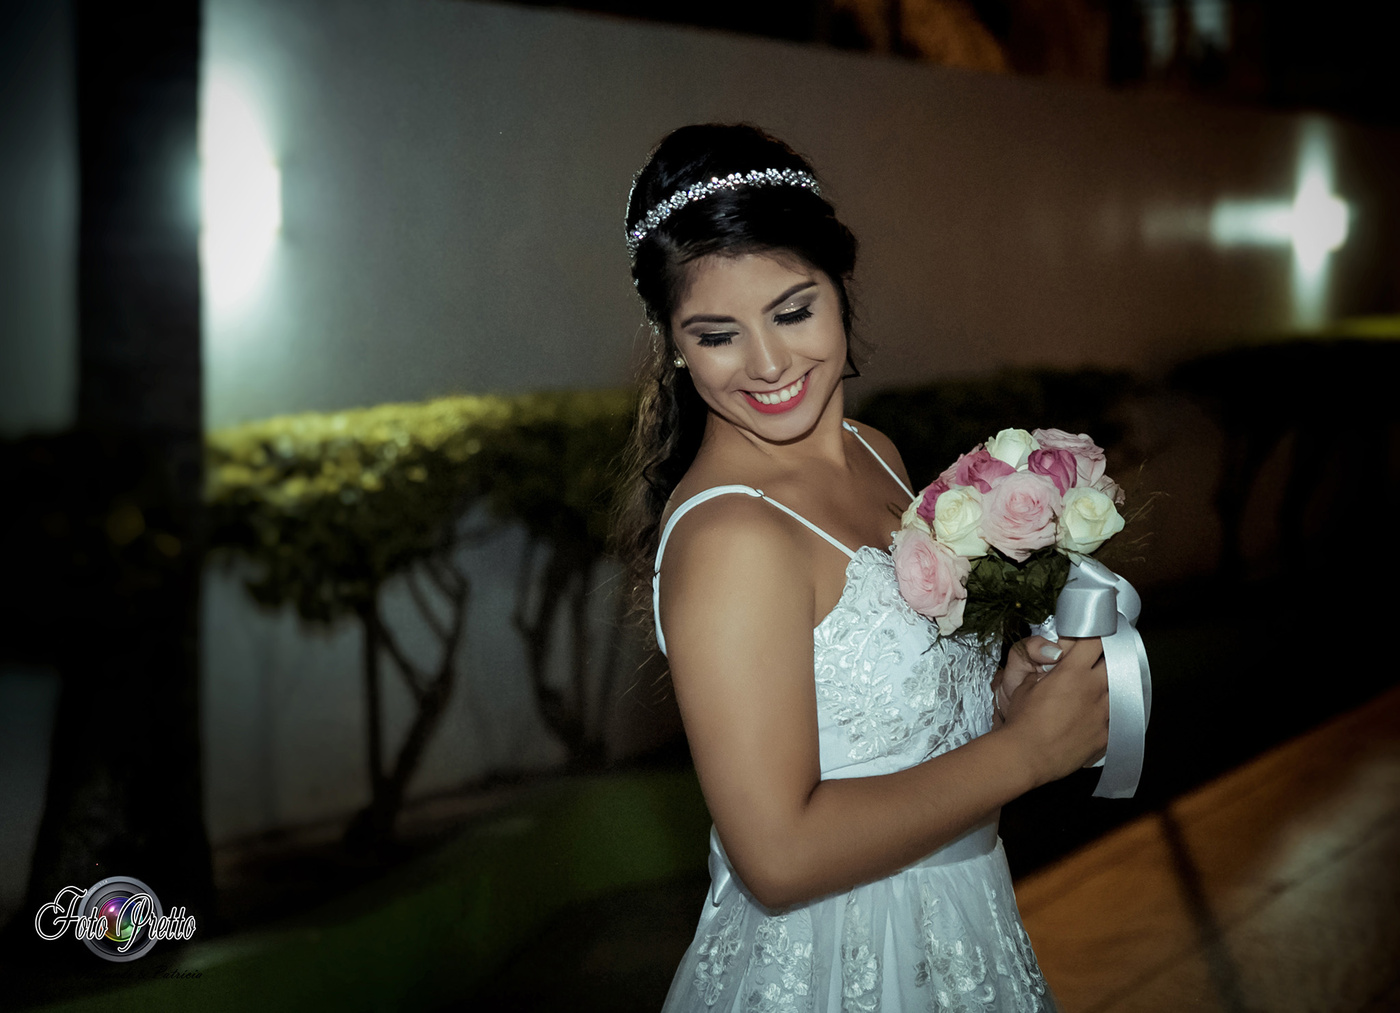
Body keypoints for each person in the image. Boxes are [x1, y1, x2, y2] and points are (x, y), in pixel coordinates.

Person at [614, 123, 1108, 1013]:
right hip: (833, 961)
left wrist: (996, 705)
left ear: (839, 287)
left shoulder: (873, 450)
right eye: (718, 334)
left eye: (792, 311)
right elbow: (778, 854)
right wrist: (1026, 753)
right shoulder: (732, 538)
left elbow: (895, 733)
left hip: (962, 924)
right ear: (675, 343)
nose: (769, 364)